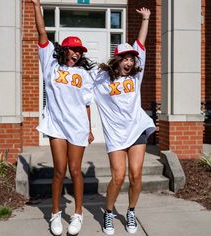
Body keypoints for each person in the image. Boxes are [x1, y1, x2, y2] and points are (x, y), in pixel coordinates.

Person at [31, 1, 95, 235]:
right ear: (64, 49)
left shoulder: (85, 74)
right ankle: (55, 214)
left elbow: (87, 104)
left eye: (80, 51)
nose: (76, 53)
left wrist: (89, 129)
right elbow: (41, 32)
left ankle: (77, 215)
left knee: (76, 171)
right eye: (73, 49)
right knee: (59, 171)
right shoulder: (49, 62)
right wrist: (37, 6)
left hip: (77, 126)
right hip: (56, 125)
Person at [92, 7, 155, 235]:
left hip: (136, 128)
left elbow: (140, 43)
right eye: (125, 58)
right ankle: (108, 212)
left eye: (131, 58)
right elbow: (80, 86)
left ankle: (130, 211)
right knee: (118, 177)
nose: (129, 62)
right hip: (116, 134)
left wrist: (146, 19)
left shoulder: (136, 75)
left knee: (136, 174)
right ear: (117, 60)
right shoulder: (102, 81)